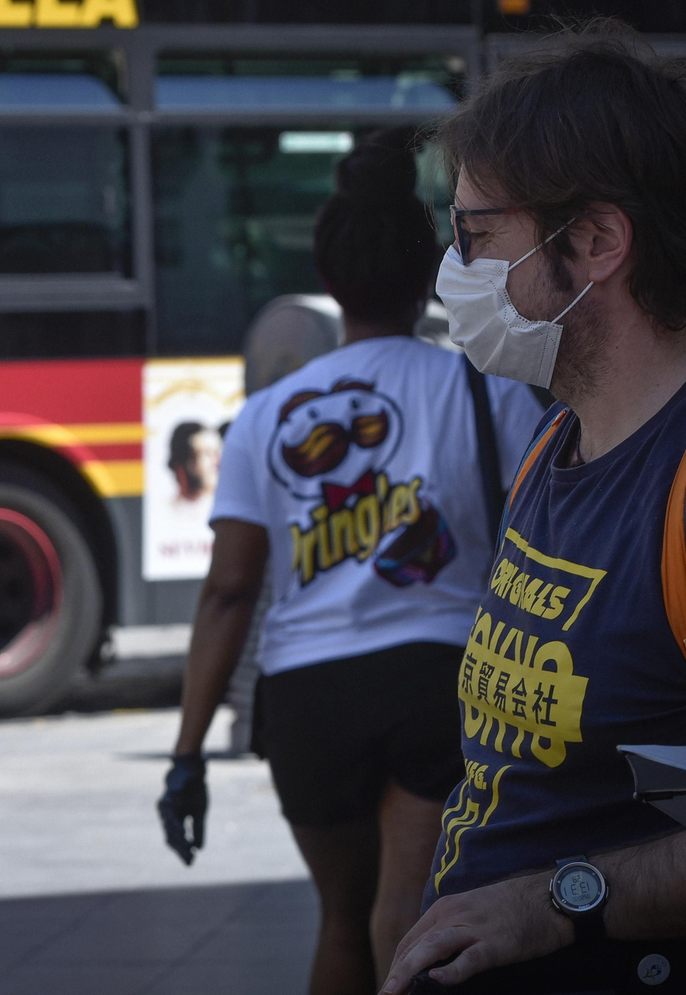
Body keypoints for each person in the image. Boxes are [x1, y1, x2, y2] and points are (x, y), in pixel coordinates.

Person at [380, 25, 686, 994]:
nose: (454, 266)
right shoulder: (555, 442)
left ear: (595, 243)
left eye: (476, 233)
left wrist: (554, 901)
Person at [158, 128, 545, 995]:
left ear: (330, 282)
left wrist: (187, 755)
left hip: (306, 701)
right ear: (429, 275)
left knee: (343, 918)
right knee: (406, 914)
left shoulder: (264, 416)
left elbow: (229, 594)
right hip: (439, 683)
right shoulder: (492, 391)